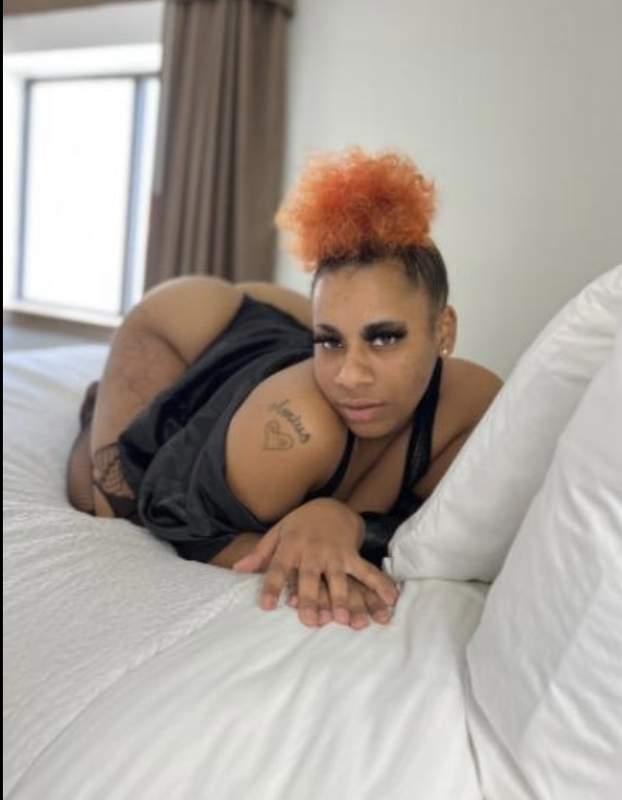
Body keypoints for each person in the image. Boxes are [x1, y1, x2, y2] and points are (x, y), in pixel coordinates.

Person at [66, 149, 502, 631]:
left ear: (444, 331)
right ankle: (98, 403)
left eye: (384, 338)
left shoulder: (475, 405)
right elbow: (175, 512)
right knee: (109, 501)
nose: (350, 376)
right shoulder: (297, 429)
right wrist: (302, 549)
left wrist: (345, 521)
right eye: (329, 341)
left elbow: (452, 530)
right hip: (189, 323)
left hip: (275, 331)